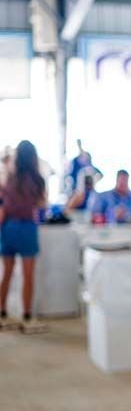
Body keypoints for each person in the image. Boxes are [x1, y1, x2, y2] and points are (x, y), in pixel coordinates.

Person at [0, 140, 48, 334]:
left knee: (7, 273)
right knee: (28, 275)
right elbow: (42, 204)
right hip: (27, 227)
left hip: (9, 227)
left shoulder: (9, 178)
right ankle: (27, 317)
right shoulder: (37, 179)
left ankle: (2, 314)